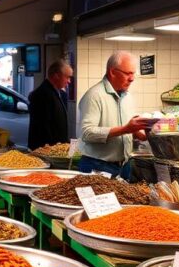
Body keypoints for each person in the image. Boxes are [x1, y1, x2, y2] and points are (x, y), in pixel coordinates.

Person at [78, 51, 152, 179]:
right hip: (97, 166)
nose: (132, 78)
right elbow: (87, 133)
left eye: (133, 73)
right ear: (112, 72)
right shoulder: (94, 95)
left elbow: (127, 127)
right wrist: (126, 129)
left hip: (124, 166)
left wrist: (140, 133)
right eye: (128, 73)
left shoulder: (127, 96)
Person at [27, 60, 73, 150]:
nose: (69, 81)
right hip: (45, 150)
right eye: (67, 77)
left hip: (58, 148)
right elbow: (42, 127)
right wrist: (52, 149)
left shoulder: (61, 94)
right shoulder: (41, 94)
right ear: (56, 76)